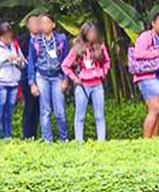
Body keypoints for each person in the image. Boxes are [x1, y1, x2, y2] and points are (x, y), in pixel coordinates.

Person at [62, 23, 111, 142]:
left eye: (93, 33)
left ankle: (101, 140)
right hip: (82, 85)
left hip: (97, 84)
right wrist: (74, 78)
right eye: (89, 33)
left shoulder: (101, 46)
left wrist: (103, 72)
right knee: (80, 115)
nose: (91, 35)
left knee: (99, 115)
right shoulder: (77, 48)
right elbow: (65, 65)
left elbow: (107, 61)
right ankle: (79, 141)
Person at [26, 13, 69, 142]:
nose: (44, 25)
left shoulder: (61, 39)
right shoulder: (34, 41)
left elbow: (66, 60)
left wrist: (66, 79)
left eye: (47, 22)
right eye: (42, 23)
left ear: (53, 24)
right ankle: (47, 140)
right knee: (45, 110)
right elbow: (31, 62)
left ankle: (64, 138)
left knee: (60, 111)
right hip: (42, 76)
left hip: (57, 76)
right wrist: (32, 83)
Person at [132, 12, 159, 139]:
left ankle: (155, 139)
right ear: (153, 24)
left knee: (158, 111)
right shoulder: (146, 36)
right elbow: (138, 54)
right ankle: (146, 140)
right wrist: (158, 53)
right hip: (148, 77)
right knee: (154, 109)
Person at [18, 14, 42, 139]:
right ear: (27, 26)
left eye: (37, 22)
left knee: (40, 107)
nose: (35, 25)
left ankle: (38, 134)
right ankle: (27, 135)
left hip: (43, 76)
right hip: (26, 77)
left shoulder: (45, 39)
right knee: (29, 106)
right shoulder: (21, 40)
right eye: (32, 23)